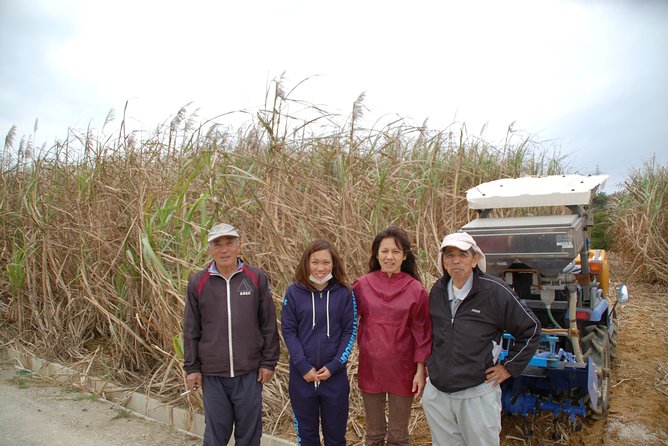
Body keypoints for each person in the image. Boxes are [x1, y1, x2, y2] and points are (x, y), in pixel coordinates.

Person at [422, 231, 541, 446]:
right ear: (442, 261)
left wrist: (509, 367)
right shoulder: (438, 290)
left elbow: (531, 329)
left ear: (475, 259)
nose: (455, 260)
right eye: (449, 255)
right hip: (439, 396)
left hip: (476, 395)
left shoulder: (494, 292)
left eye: (463, 254)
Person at [183, 223, 280, 446]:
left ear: (239, 245)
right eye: (218, 244)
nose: (224, 250)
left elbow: (267, 323)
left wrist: (268, 362)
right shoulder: (198, 282)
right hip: (213, 373)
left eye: (229, 243)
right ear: (210, 249)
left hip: (249, 373)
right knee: (216, 434)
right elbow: (191, 328)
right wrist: (192, 367)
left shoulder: (255, 277)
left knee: (249, 434)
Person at [352, 226, 432, 446]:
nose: (389, 257)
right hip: (371, 367)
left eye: (395, 252)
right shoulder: (362, 285)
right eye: (384, 251)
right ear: (376, 254)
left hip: (404, 370)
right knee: (374, 433)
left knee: (398, 435)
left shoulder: (416, 289)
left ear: (404, 255)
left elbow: (422, 333)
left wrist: (420, 370)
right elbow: (346, 322)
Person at [281, 239, 358, 446]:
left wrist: (334, 366)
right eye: (315, 262)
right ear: (306, 263)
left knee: (335, 438)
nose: (320, 268)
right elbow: (288, 331)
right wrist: (303, 367)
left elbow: (349, 332)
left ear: (334, 264)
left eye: (326, 262)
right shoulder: (294, 292)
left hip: (334, 379)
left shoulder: (345, 293)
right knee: (307, 438)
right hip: (302, 379)